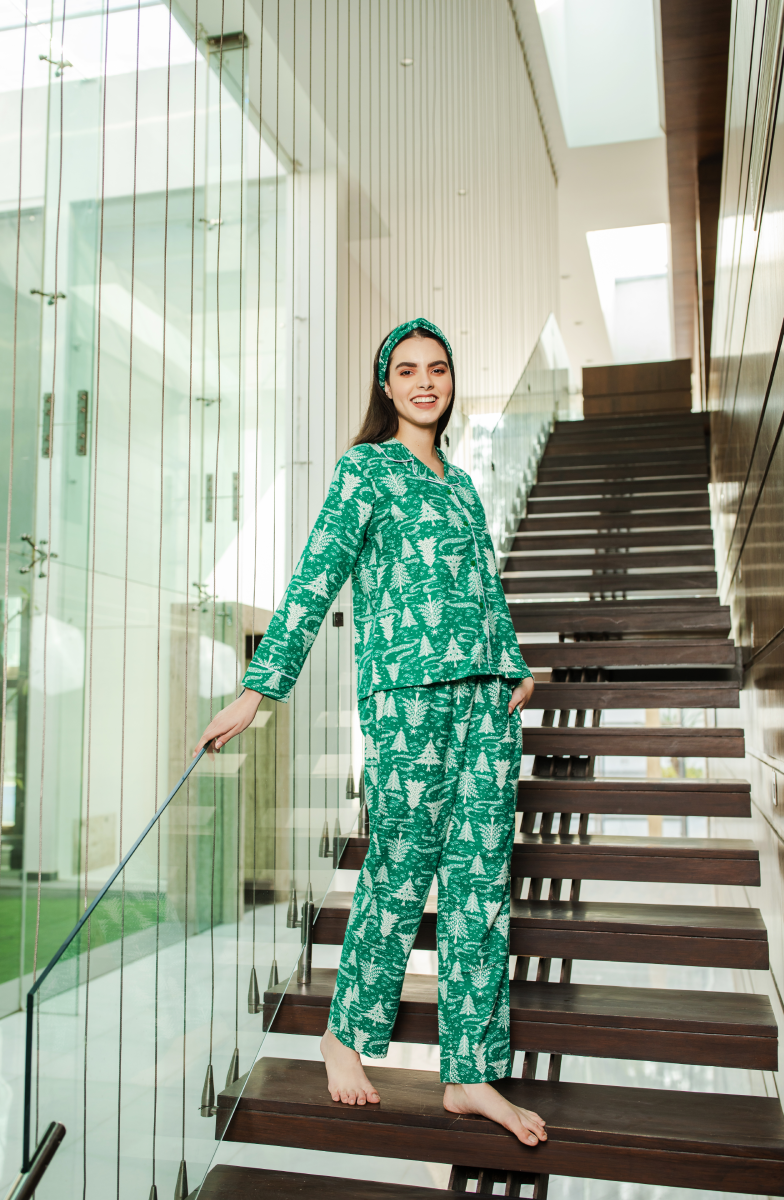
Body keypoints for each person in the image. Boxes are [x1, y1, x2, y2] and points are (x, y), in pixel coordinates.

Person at [194, 318, 546, 1149]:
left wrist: (515, 665)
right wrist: (258, 690)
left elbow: (484, 585)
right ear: (387, 387)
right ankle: (344, 1036)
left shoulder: (463, 486)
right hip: (407, 700)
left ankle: (469, 1075)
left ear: (451, 382)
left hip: (487, 704)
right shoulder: (365, 470)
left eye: (438, 369)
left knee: (480, 887)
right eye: (408, 370)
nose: (425, 382)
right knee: (398, 869)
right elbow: (316, 576)